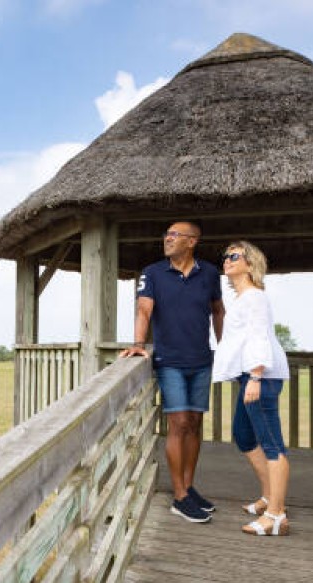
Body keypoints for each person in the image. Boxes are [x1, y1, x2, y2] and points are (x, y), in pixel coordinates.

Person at [120, 221, 225, 523]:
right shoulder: (152, 273)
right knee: (178, 422)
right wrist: (140, 343)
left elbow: (218, 310)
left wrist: (226, 347)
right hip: (169, 360)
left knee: (194, 423)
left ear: (192, 241)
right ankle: (179, 497)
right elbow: (143, 310)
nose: (167, 238)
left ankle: (189, 488)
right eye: (166, 234)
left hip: (202, 360)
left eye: (175, 235)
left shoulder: (209, 273)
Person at [211, 240, 292, 536]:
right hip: (251, 375)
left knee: (272, 445)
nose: (227, 260)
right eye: (226, 256)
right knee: (244, 436)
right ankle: (271, 497)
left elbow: (258, 336)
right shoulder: (244, 298)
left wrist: (256, 376)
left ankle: (277, 515)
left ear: (250, 262)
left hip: (262, 376)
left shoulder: (255, 297)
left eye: (234, 255)